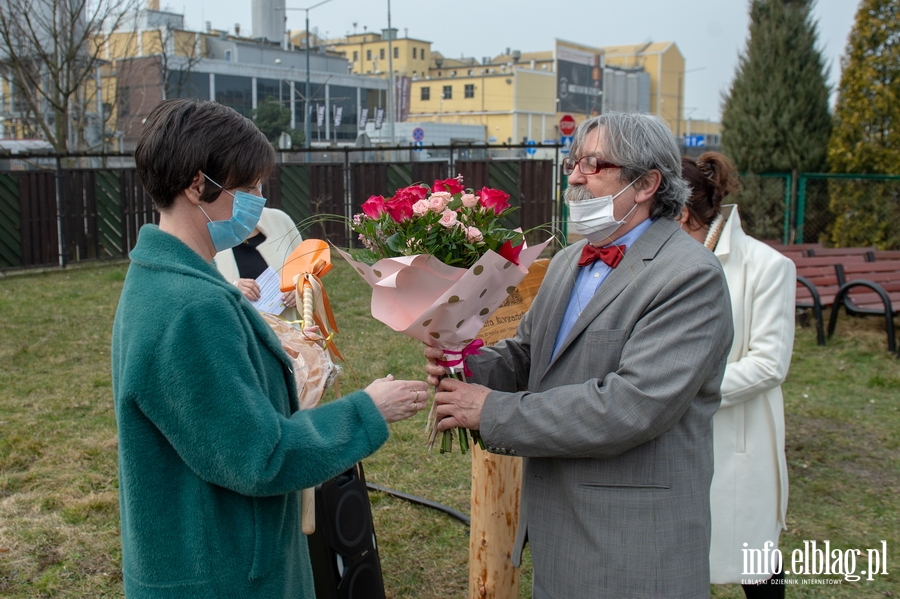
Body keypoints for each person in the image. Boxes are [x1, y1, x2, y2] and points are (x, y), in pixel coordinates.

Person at [111, 98, 429, 599]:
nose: (260, 200)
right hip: (226, 574)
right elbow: (260, 458)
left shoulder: (166, 283)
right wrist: (370, 410)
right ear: (198, 185)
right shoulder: (192, 308)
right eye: (249, 187)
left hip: (211, 557)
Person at [425, 112, 734, 598]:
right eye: (573, 161)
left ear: (646, 183)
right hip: (559, 529)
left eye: (593, 164)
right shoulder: (570, 258)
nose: (572, 176)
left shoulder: (689, 275)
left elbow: (631, 406)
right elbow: (531, 355)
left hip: (632, 542)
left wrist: (490, 409)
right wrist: (461, 359)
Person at [679, 152, 794, 598]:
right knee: (674, 554)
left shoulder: (767, 267)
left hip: (734, 434)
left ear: (682, 212)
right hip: (675, 433)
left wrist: (685, 390)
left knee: (752, 554)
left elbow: (769, 363)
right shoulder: (664, 263)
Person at [214, 207, 303, 320]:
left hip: (285, 334)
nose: (258, 196)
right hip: (232, 333)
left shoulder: (279, 220)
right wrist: (230, 290)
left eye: (258, 188)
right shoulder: (205, 228)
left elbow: (307, 275)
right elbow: (193, 293)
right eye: (248, 189)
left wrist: (299, 290)